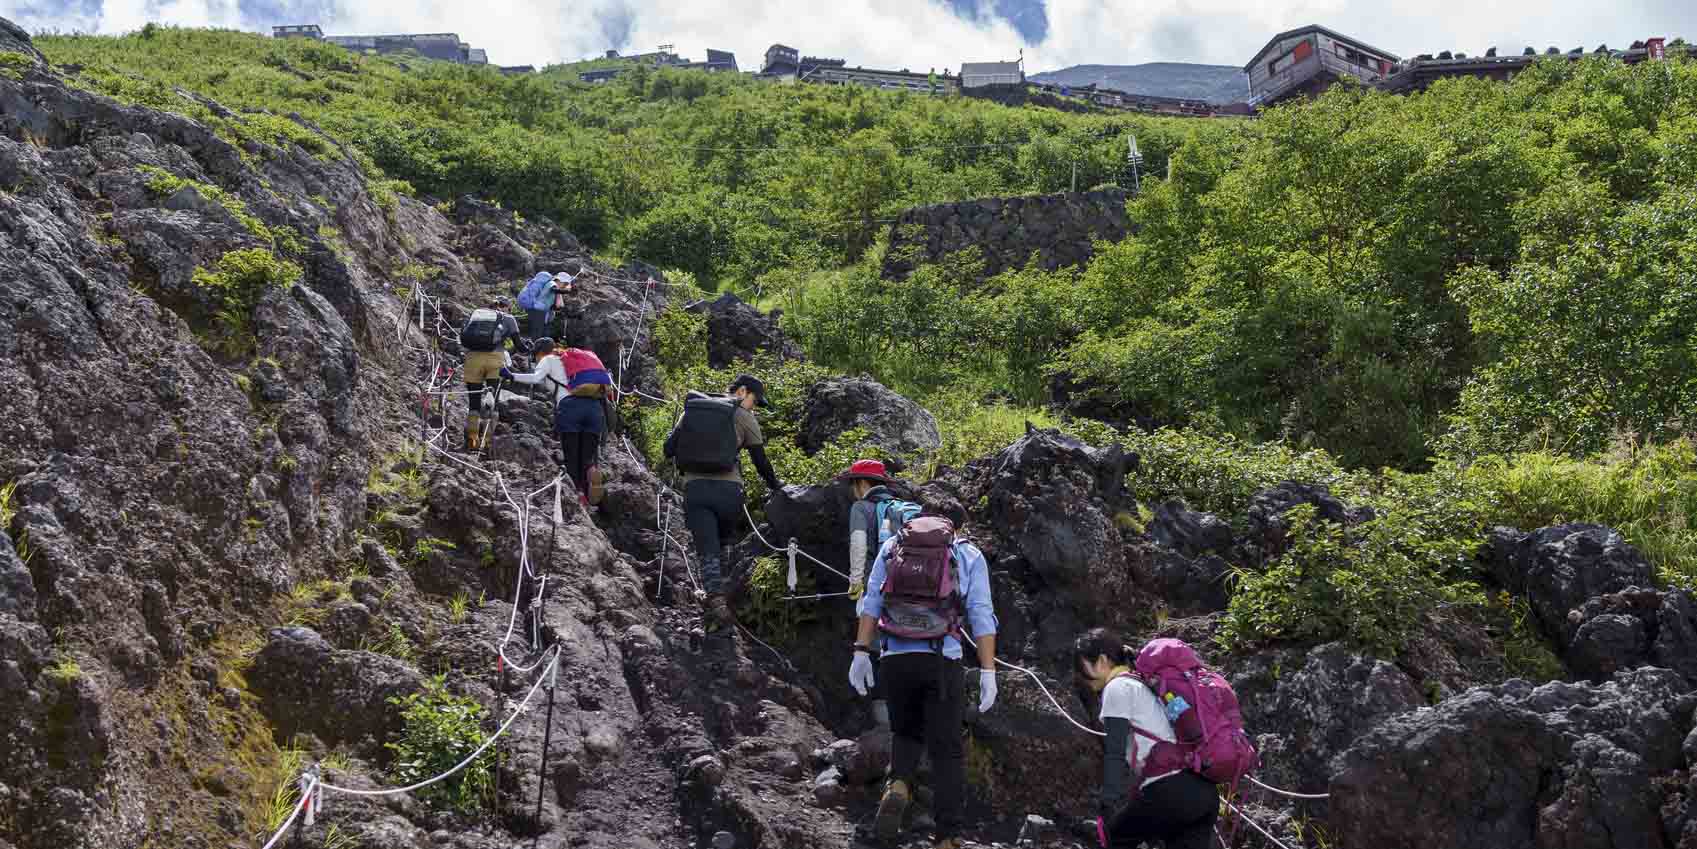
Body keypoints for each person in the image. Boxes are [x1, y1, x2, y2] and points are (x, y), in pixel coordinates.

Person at [848, 510, 998, 849]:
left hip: (894, 659)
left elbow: (871, 601)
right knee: (947, 751)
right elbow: (981, 613)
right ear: (956, 527)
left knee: (905, 731)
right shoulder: (966, 553)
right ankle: (947, 836)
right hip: (942, 660)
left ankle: (899, 785)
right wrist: (988, 671)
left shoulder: (892, 546)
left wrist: (860, 651)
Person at [1074, 628, 1219, 849]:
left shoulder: (1117, 688)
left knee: (1115, 839)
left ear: (1102, 660)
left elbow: (1114, 752)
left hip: (1169, 791)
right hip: (1204, 791)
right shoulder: (1148, 684)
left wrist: (1107, 802)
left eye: (1083, 666)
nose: (1081, 676)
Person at [663, 374, 783, 631]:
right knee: (726, 544)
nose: (754, 406)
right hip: (730, 491)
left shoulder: (693, 410)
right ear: (742, 391)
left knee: (707, 549)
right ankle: (727, 598)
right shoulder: (743, 415)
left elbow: (668, 448)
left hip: (695, 490)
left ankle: (715, 601)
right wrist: (778, 488)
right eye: (755, 400)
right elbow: (761, 462)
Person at [839, 458, 917, 728]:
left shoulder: (861, 507)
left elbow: (859, 544)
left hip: (880, 590)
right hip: (915, 591)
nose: (852, 490)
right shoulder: (901, 511)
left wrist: (856, 583)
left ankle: (885, 723)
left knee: (877, 649)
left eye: (853, 484)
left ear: (862, 484)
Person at [501, 340, 611, 507]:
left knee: (572, 456)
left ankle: (579, 495)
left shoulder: (548, 359)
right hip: (594, 408)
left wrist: (511, 375)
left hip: (570, 408)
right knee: (588, 454)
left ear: (539, 353)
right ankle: (591, 469)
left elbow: (536, 378)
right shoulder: (574, 360)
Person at [458, 297, 524, 452]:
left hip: (473, 360)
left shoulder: (477, 315)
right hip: (495, 362)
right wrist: (529, 349)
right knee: (492, 403)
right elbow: (519, 346)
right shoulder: (509, 319)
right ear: (507, 307)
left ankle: (472, 441)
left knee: (474, 403)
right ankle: (486, 443)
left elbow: (463, 338)